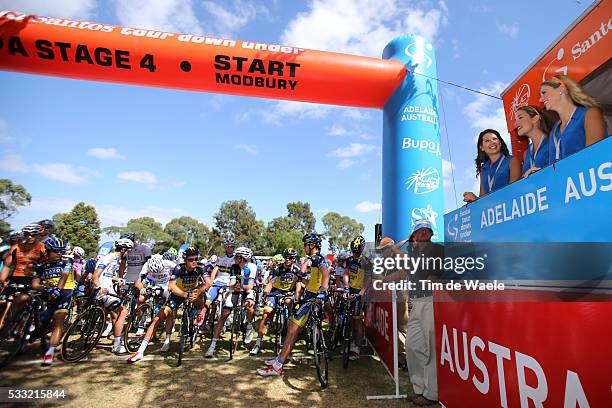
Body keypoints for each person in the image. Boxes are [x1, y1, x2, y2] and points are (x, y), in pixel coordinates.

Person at [257, 233, 330, 377]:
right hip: (310, 295)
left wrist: (323, 288)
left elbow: (326, 272)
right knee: (292, 326)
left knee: (292, 329)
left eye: (305, 245)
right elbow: (308, 278)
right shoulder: (315, 259)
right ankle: (279, 359)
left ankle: (278, 366)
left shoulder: (316, 258)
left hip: (312, 298)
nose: (304, 247)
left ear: (311, 246)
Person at [127, 247, 210, 363]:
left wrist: (198, 292)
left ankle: (198, 314)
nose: (194, 262)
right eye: (191, 260)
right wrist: (185, 294)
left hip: (194, 292)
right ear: (185, 260)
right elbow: (171, 286)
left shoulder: (201, 268)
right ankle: (140, 351)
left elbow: (208, 283)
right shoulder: (178, 268)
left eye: (196, 259)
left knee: (201, 296)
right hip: (179, 294)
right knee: (158, 317)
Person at [404, 220, 444, 406]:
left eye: (426, 231)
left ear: (430, 233)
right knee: (412, 345)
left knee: (430, 349)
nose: (423, 233)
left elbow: (434, 275)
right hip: (416, 301)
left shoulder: (436, 250)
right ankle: (419, 388)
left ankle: (432, 393)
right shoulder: (412, 252)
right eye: (419, 231)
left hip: (430, 300)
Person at [204, 246, 257, 357]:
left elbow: (250, 286)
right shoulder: (234, 267)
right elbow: (232, 281)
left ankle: (249, 325)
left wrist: (241, 286)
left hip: (247, 289)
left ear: (242, 258)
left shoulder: (252, 267)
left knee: (249, 305)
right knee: (224, 314)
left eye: (236, 257)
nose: (234, 259)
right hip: (235, 290)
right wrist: (231, 286)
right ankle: (212, 345)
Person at [539, 74, 607, 161]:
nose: (540, 99)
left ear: (561, 88)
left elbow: (595, 156)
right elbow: (553, 166)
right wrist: (538, 173)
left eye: (544, 92)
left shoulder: (589, 114)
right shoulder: (554, 130)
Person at [31, 237, 76, 366]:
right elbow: (35, 284)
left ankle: (50, 352)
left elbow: (65, 275)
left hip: (64, 292)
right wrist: (45, 289)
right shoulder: (42, 266)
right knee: (42, 317)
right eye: (56, 251)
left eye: (61, 251)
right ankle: (35, 329)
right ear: (48, 251)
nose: (59, 254)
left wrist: (57, 289)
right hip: (48, 292)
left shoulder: (67, 261)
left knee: (58, 318)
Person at [250, 247, 301, 356]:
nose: (288, 260)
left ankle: (290, 323)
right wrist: (265, 292)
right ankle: (258, 343)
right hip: (275, 292)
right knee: (266, 314)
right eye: (286, 257)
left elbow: (299, 283)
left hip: (288, 293)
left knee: (289, 303)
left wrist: (297, 295)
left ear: (294, 259)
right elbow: (272, 282)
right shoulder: (278, 269)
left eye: (290, 258)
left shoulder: (297, 269)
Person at [92, 238, 133, 354]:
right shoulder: (109, 258)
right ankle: (116, 345)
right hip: (103, 289)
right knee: (123, 311)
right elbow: (95, 277)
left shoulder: (116, 259)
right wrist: (100, 288)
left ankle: (117, 341)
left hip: (107, 287)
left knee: (115, 315)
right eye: (129, 250)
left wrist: (118, 279)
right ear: (123, 249)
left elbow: (107, 275)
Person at [463, 129, 521, 203]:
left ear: (500, 143)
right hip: (493, 211)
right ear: (482, 147)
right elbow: (483, 199)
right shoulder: (483, 169)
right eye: (487, 141)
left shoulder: (513, 161)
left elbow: (514, 190)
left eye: (494, 139)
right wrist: (474, 200)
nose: (492, 142)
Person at [342, 236, 371, 360]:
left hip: (359, 293)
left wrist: (362, 292)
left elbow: (369, 278)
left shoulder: (366, 261)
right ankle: (348, 342)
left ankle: (357, 348)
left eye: (357, 251)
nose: (355, 253)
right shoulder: (349, 260)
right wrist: (346, 287)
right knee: (348, 318)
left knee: (358, 320)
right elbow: (346, 274)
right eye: (354, 250)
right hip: (350, 291)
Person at [515, 105, 556, 178]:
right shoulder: (526, 153)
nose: (515, 123)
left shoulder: (554, 139)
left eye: (520, 118)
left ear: (535, 118)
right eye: (515, 120)